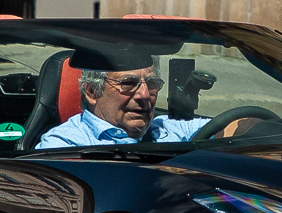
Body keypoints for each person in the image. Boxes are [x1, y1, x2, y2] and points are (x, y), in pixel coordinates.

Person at [36, 63, 253, 149]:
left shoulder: (169, 128)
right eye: (128, 84)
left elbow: (238, 126)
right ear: (92, 92)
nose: (144, 95)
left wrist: (269, 130)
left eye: (152, 84)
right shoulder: (64, 145)